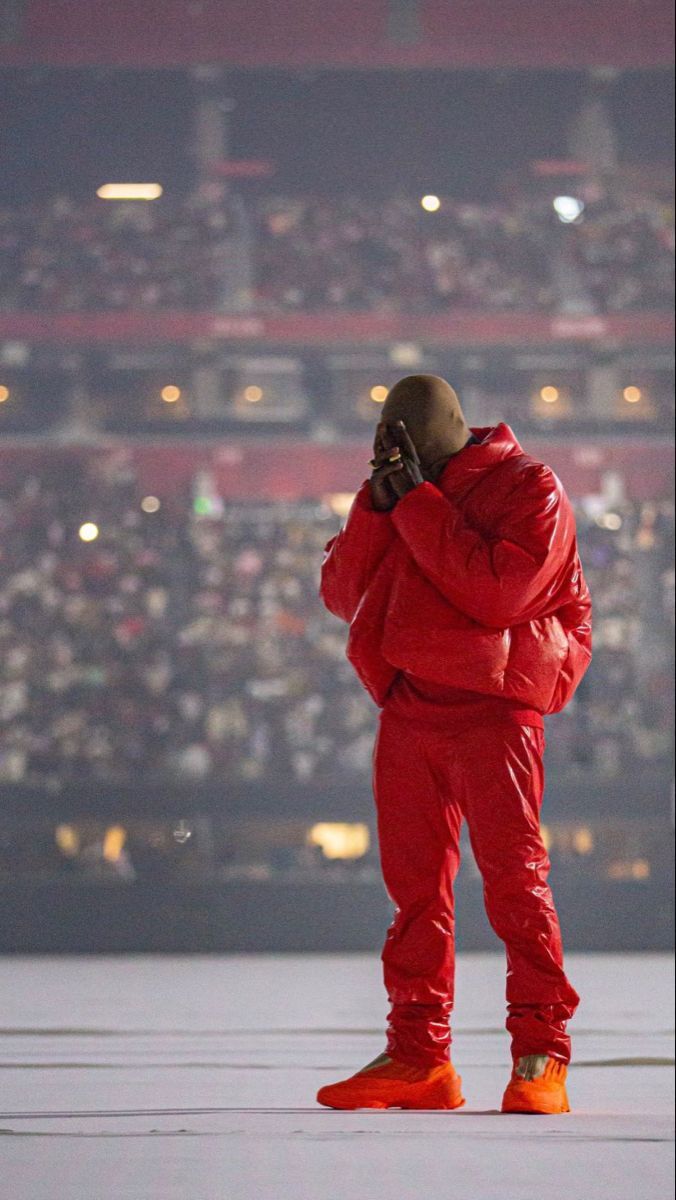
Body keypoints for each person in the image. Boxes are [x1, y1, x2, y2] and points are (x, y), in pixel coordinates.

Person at [316, 374, 592, 1114]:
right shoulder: (401, 493)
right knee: (414, 896)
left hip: (495, 710)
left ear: (440, 435)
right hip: (411, 706)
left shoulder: (530, 485)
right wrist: (379, 505)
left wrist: (415, 501)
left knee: (515, 883)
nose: (392, 454)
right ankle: (417, 1055)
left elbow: (499, 593)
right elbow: (343, 594)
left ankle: (540, 1055)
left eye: (403, 443)